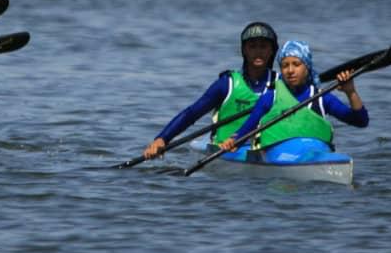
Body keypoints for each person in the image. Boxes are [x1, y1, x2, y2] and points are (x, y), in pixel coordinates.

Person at [142, 21, 279, 159]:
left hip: (269, 150)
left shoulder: (281, 83)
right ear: (244, 50)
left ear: (272, 50)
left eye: (263, 46)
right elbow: (192, 114)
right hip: (227, 150)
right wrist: (162, 139)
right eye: (252, 46)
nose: (258, 51)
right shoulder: (227, 84)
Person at [219, 40, 367, 153]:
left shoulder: (322, 98)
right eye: (285, 65)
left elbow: (361, 121)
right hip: (277, 156)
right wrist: (232, 141)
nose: (290, 70)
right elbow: (247, 128)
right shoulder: (271, 97)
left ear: (307, 68)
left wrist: (350, 92)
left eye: (296, 64)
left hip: (313, 156)